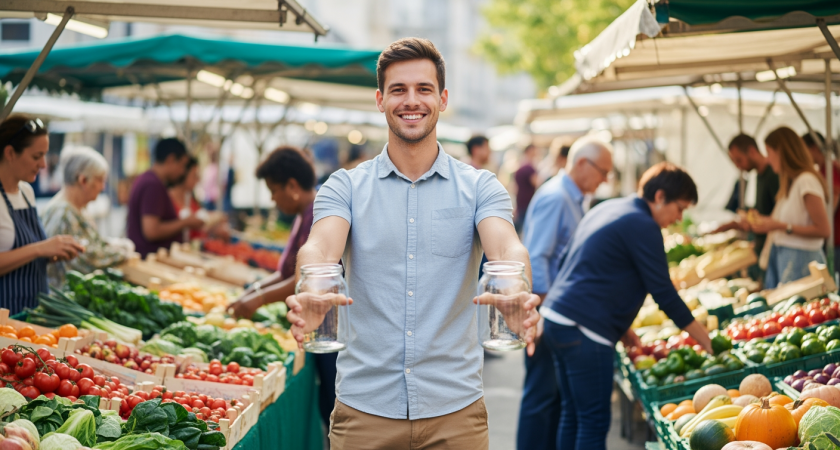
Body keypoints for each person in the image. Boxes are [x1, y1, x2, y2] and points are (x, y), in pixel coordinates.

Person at [284, 37, 540, 449]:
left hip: (455, 412)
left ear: (442, 99)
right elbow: (319, 249)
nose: (411, 101)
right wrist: (311, 288)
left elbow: (507, 249)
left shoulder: (480, 187)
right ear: (380, 100)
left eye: (423, 89)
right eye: (398, 90)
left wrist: (515, 292)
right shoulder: (344, 186)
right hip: (364, 411)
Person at [541, 162, 713, 450]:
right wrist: (704, 339)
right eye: (680, 208)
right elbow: (664, 293)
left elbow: (577, 264)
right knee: (593, 422)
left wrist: (622, 328)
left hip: (557, 319)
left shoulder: (609, 208)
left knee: (573, 414)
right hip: (585, 330)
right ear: (660, 197)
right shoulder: (643, 224)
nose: (679, 218)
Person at [227, 146, 337, 431]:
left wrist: (258, 299)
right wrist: (252, 294)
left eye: (274, 191)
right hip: (315, 325)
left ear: (292, 186)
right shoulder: (303, 214)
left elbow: (303, 277)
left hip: (328, 326)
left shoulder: (319, 214)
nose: (272, 199)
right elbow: (285, 272)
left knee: (333, 405)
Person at [516, 136, 613, 450]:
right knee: (541, 397)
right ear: (582, 163)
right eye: (603, 171)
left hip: (557, 311)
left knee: (552, 398)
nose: (605, 180)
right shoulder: (557, 197)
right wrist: (544, 311)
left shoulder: (572, 197)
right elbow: (537, 256)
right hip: (548, 312)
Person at [0, 115, 84, 314]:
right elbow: (32, 250)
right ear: (10, 153)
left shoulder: (26, 192)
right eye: (36, 156)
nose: (44, 164)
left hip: (33, 315)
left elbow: (26, 255)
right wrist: (40, 249)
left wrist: (53, 253)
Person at [751, 127, 830, 288]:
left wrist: (781, 226)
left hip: (802, 261)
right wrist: (765, 223)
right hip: (788, 259)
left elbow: (824, 230)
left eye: (769, 152)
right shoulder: (791, 183)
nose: (768, 159)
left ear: (781, 152)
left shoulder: (806, 180)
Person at [41, 146, 131, 287]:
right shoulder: (63, 213)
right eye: (100, 180)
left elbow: (91, 244)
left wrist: (116, 245)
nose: (102, 187)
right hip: (64, 295)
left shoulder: (78, 209)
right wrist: (123, 252)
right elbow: (85, 259)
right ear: (83, 180)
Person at [712, 134, 780, 280]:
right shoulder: (759, 176)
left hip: (774, 251)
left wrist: (755, 222)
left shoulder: (773, 175)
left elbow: (780, 216)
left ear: (752, 151)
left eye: (739, 160)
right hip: (763, 249)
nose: (738, 166)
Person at [126, 138, 203, 257]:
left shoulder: (149, 180)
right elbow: (152, 231)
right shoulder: (152, 184)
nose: (182, 172)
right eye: (182, 165)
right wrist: (185, 222)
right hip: (150, 259)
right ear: (171, 160)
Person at [802, 132, 840, 276]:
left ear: (813, 148)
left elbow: (835, 195)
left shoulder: (830, 168)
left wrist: (822, 222)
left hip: (836, 239)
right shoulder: (824, 169)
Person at [169, 156, 229, 242]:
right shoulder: (168, 200)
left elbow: (201, 227)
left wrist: (215, 228)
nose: (198, 180)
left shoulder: (191, 199)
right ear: (182, 172)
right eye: (195, 175)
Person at [513, 144, 539, 231]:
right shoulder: (529, 168)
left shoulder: (519, 165)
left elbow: (515, 187)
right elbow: (537, 183)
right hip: (528, 202)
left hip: (521, 201)